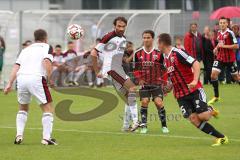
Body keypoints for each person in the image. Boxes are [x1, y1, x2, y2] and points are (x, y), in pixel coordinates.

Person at [158, 33, 228, 146]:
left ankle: (209, 109)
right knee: (194, 119)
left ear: (162, 43)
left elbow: (195, 63)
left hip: (194, 90)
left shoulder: (178, 52)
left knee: (203, 116)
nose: (158, 46)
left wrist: (195, 80)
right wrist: (167, 88)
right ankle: (221, 137)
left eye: (158, 43)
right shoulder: (165, 59)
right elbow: (172, 78)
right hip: (180, 96)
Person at [3, 29, 57, 145]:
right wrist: (50, 78)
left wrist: (9, 83)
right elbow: (47, 61)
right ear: (45, 37)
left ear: (34, 38)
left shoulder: (25, 49)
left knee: (23, 108)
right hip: (36, 78)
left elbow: (16, 66)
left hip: (21, 79)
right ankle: (46, 138)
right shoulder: (47, 47)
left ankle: (19, 135)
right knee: (48, 108)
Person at [91, 16, 139, 131]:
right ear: (114, 26)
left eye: (123, 26)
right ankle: (137, 122)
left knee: (128, 96)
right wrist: (97, 71)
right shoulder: (108, 36)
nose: (121, 28)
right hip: (112, 69)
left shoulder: (123, 38)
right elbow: (94, 52)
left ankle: (126, 126)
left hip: (118, 68)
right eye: (119, 26)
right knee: (132, 88)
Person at [133, 30, 169, 134]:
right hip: (145, 84)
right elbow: (135, 69)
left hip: (157, 84)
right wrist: (139, 78)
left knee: (159, 103)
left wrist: (165, 84)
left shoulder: (159, 53)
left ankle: (164, 126)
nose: (146, 40)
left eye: (148, 37)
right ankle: (144, 126)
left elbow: (164, 70)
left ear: (152, 39)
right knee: (144, 102)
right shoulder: (138, 53)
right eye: (144, 37)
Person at [208, 17, 239, 105]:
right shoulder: (218, 33)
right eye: (220, 23)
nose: (221, 24)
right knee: (213, 75)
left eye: (223, 23)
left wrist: (223, 46)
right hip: (220, 58)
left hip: (230, 60)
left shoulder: (230, 33)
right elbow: (220, 43)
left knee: (236, 78)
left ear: (227, 24)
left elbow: (236, 46)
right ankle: (216, 96)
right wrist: (216, 48)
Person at [121, 41, 135, 131]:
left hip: (128, 79)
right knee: (130, 101)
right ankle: (127, 125)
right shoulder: (123, 54)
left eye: (131, 46)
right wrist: (134, 53)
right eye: (129, 46)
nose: (131, 48)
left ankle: (126, 125)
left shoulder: (130, 54)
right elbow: (126, 61)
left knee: (129, 102)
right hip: (123, 79)